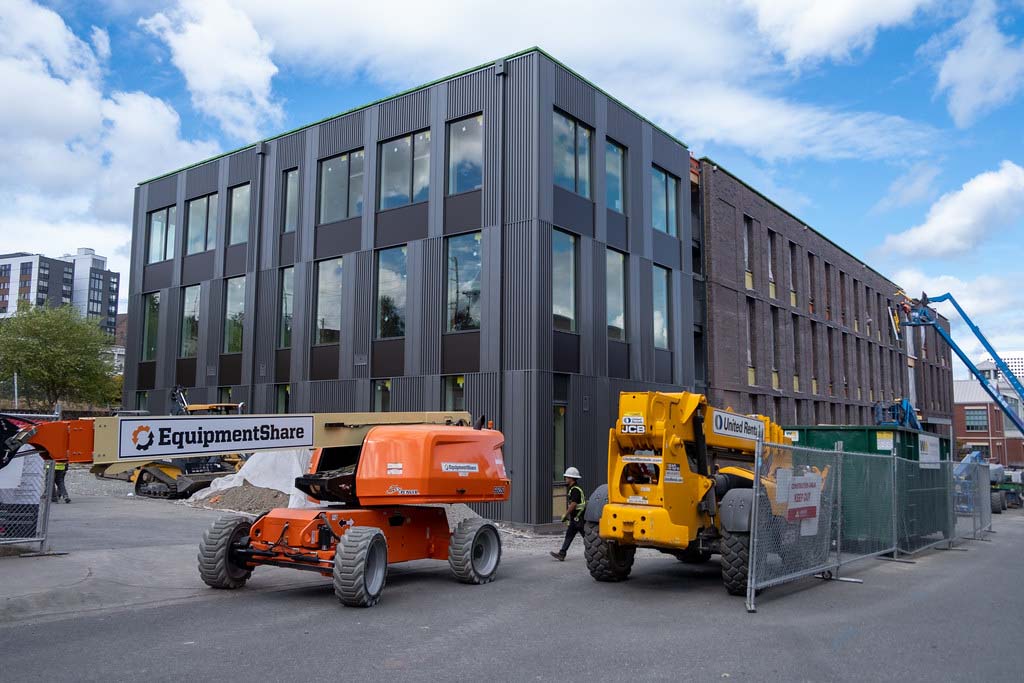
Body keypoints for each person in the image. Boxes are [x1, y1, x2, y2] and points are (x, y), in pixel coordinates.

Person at [550, 467, 586, 561]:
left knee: (586, 537)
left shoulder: (575, 490)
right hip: (576, 518)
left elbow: (573, 504)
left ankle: (596, 554)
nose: (565, 479)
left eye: (566, 477)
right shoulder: (573, 488)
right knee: (569, 535)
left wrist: (565, 515)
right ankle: (562, 553)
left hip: (579, 518)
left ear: (571, 478)